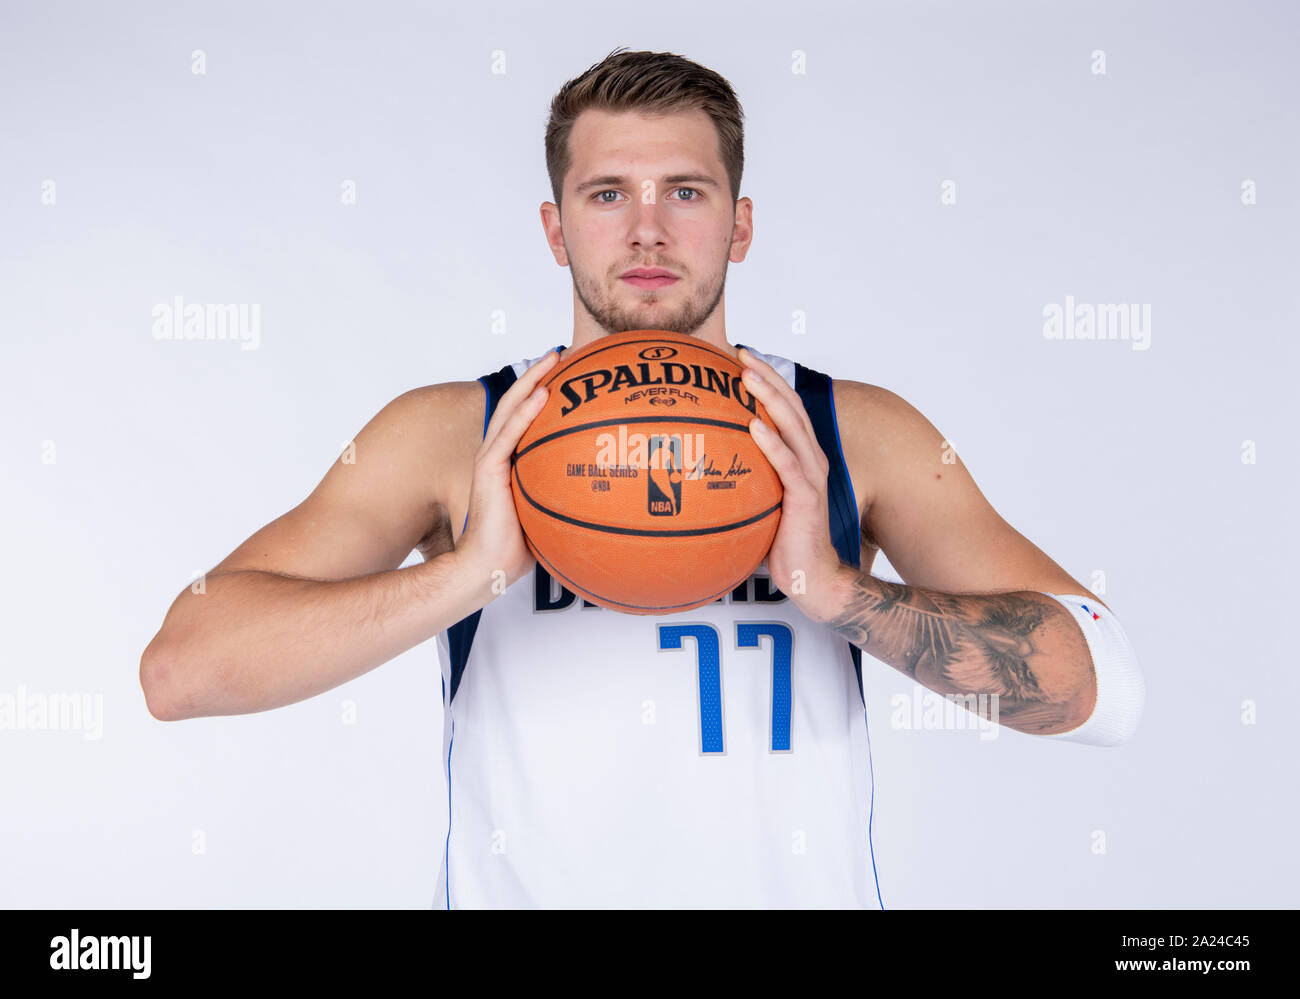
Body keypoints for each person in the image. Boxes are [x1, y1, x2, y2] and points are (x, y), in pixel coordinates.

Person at [140, 47, 1145, 909]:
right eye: (607, 193)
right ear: (555, 226)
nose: (647, 230)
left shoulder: (846, 431)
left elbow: (1104, 691)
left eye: (686, 192)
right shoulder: (458, 436)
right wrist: (471, 572)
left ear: (740, 226)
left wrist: (837, 592)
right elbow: (181, 671)